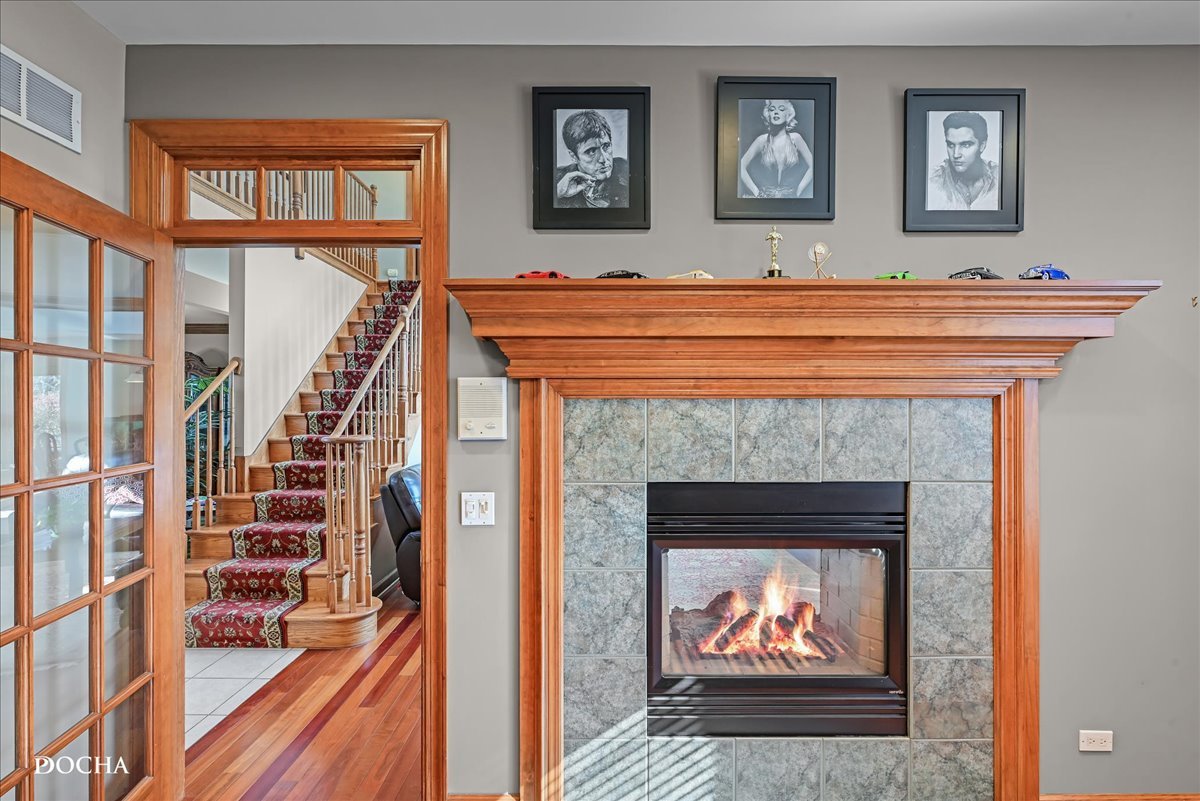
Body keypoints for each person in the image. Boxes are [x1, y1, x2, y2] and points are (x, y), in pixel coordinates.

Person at [738, 99, 814, 199]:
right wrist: (757, 193)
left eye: (781, 109)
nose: (776, 112)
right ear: (768, 114)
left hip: (790, 201)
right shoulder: (762, 140)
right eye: (772, 109)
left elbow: (814, 166)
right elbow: (740, 167)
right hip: (765, 202)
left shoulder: (796, 139)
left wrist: (799, 191)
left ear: (788, 115)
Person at [554, 110, 629, 209]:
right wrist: (557, 194)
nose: (603, 159)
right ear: (573, 156)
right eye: (591, 151)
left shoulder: (627, 170)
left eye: (606, 146)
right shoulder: (557, 181)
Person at [926, 111, 1000, 210]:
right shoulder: (932, 181)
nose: (956, 154)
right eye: (951, 145)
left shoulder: (1001, 177)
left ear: (982, 146)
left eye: (966, 145)